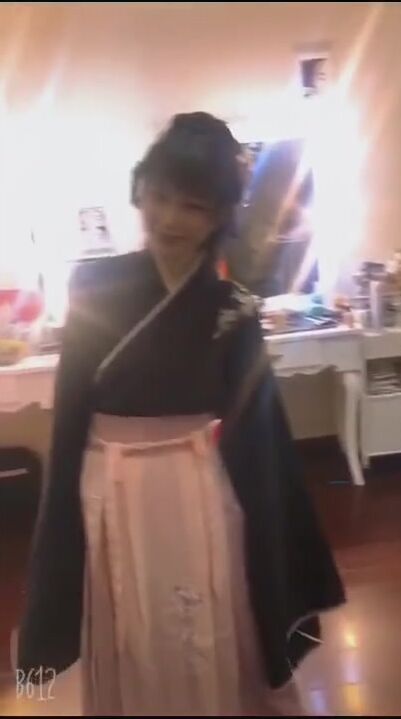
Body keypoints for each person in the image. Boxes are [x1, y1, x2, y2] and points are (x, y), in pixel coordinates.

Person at [17, 112, 345, 716]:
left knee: (208, 616)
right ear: (139, 190)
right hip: (113, 486)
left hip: (197, 486)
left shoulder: (233, 307)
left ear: (218, 216)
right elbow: (70, 421)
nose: (168, 219)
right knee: (131, 622)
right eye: (159, 196)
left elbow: (261, 437)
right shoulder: (92, 285)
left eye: (192, 205)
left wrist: (282, 549)